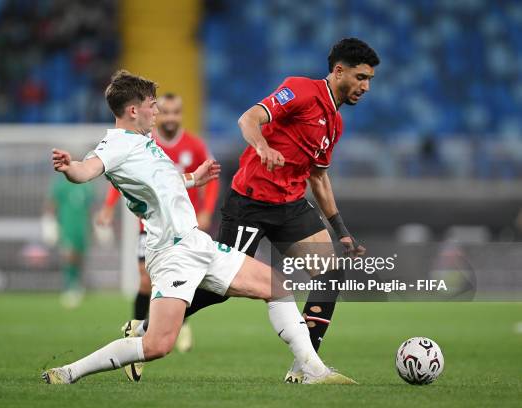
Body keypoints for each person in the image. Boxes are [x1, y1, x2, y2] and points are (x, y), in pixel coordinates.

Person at [42, 69, 355, 385]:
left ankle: (313, 370)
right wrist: (72, 168)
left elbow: (163, 183)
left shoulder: (143, 142)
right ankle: (70, 372)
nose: (158, 111)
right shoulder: (116, 145)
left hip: (196, 243)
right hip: (171, 254)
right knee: (157, 346)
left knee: (275, 286)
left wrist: (194, 178)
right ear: (134, 110)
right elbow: (87, 170)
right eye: (153, 104)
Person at [134, 37, 380, 383]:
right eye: (360, 77)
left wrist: (341, 231)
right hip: (250, 202)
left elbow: (319, 178)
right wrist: (263, 147)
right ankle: (144, 327)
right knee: (219, 289)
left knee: (329, 272)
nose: (366, 86)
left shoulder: (335, 124)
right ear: (338, 71)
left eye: (369, 79)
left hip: (290, 205)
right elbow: (248, 119)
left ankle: (306, 366)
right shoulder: (300, 90)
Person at [96, 93, 219, 358]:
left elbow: (212, 179)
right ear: (156, 114)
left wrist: (207, 210)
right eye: (166, 112)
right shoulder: (144, 144)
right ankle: (136, 334)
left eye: (177, 112)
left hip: (183, 226)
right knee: (144, 280)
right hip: (151, 225)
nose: (171, 117)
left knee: (186, 279)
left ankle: (177, 323)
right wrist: (107, 207)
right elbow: (123, 177)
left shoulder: (194, 145)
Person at [43, 173, 95, 308]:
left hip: (82, 227)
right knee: (69, 255)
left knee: (79, 257)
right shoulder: (62, 184)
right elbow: (52, 203)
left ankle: (78, 285)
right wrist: (49, 223)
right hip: (67, 225)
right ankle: (70, 287)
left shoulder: (86, 185)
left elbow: (90, 207)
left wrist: (95, 226)